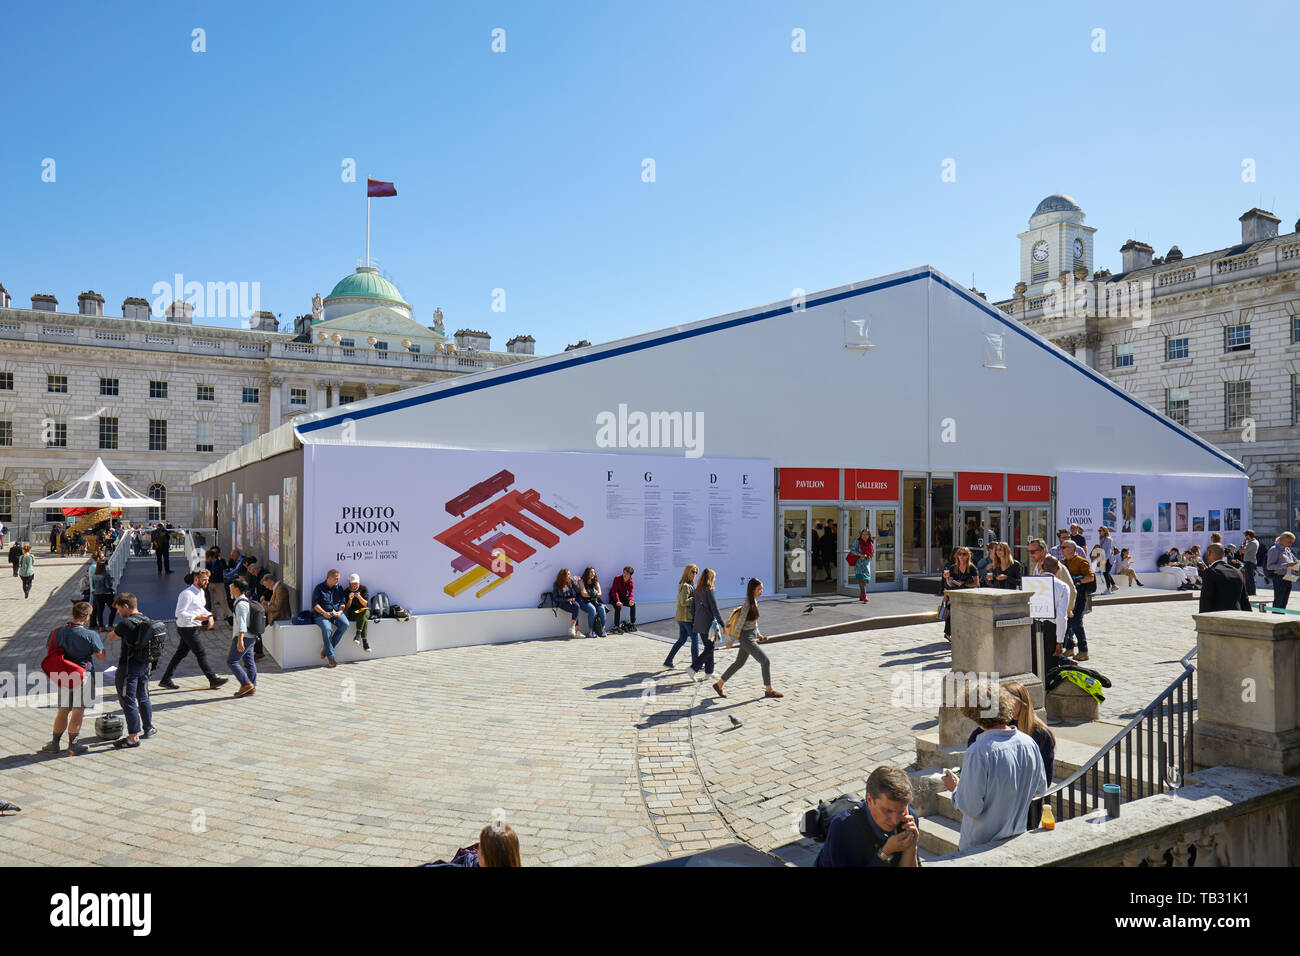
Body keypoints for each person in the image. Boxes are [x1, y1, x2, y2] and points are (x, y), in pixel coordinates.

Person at [941, 682, 1047, 851]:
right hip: (1016, 839)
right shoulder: (1028, 743)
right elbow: (1040, 789)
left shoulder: (979, 751)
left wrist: (955, 789)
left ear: (972, 713)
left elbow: (970, 807)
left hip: (980, 847)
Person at [965, 680, 1055, 829]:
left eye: (1010, 700)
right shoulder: (985, 731)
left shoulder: (1039, 735)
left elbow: (1044, 779)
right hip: (995, 811)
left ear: (1023, 703)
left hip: (1025, 809)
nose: (1006, 704)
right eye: (1002, 700)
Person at [815, 766, 920, 867]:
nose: (895, 820)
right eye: (887, 811)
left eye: (901, 811)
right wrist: (885, 853)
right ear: (869, 799)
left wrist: (911, 848)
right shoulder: (844, 828)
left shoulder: (908, 820)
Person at [37, 602, 104, 755]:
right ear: (86, 617)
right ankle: (73, 746)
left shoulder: (57, 632)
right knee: (78, 711)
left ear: (73, 614)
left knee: (63, 710)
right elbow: (101, 656)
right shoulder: (90, 635)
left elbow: (50, 650)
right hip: (83, 675)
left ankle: (54, 743)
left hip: (64, 675)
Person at [713, 578, 782, 700]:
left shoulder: (754, 602)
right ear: (753, 590)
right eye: (759, 589)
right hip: (746, 639)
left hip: (750, 637)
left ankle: (719, 684)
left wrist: (759, 635)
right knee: (765, 661)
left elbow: (754, 623)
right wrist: (731, 641)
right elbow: (740, 623)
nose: (761, 591)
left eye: (762, 588)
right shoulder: (747, 604)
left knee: (738, 663)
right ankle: (768, 690)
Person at [160, 569, 226, 689]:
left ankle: (165, 679)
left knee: (180, 654)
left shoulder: (201, 592)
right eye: (204, 580)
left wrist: (209, 616)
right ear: (196, 579)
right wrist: (196, 617)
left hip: (194, 627)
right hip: (186, 628)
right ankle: (212, 679)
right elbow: (179, 613)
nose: (207, 582)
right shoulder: (187, 594)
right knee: (200, 653)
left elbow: (200, 608)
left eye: (208, 579)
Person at [109, 593, 156, 748]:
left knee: (128, 700)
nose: (117, 613)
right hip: (144, 665)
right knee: (143, 697)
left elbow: (111, 638)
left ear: (126, 606)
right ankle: (149, 728)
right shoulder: (147, 620)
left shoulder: (125, 624)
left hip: (128, 667)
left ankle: (133, 737)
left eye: (118, 609)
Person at [1058, 539, 1094, 661]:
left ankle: (1084, 651)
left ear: (1072, 549)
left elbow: (1090, 577)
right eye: (1061, 547)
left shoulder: (1081, 562)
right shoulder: (1062, 562)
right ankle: (1069, 648)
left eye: (1064, 547)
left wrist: (1077, 581)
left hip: (1078, 597)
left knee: (1077, 623)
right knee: (1066, 623)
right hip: (1066, 596)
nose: (1061, 549)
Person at [690, 567, 727, 681]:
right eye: (714, 577)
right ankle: (693, 669)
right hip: (707, 624)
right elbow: (715, 609)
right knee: (710, 648)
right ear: (711, 578)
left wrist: (697, 618)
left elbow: (692, 608)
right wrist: (722, 624)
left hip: (698, 623)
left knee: (709, 646)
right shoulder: (709, 590)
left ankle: (709, 672)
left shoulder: (697, 590)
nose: (714, 580)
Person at [228, 579, 260, 697]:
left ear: (237, 589)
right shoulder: (242, 601)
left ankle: (246, 684)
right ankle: (252, 686)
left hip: (244, 637)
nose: (230, 587)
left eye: (232, 585)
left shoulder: (241, 604)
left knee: (232, 661)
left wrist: (240, 640)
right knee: (249, 661)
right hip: (250, 637)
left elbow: (242, 624)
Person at [312, 568, 349, 666]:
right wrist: (324, 613)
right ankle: (331, 656)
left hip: (335, 613)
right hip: (321, 614)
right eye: (336, 578)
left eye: (338, 578)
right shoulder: (319, 588)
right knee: (328, 629)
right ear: (329, 578)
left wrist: (340, 612)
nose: (338, 580)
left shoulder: (339, 588)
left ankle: (327, 649)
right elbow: (315, 605)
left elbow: (343, 602)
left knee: (345, 624)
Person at [941, 546, 979, 641]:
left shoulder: (972, 568)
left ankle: (965, 633)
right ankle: (948, 634)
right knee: (951, 613)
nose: (961, 556)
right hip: (956, 594)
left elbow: (976, 584)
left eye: (964, 554)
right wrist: (947, 578)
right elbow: (950, 583)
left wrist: (964, 583)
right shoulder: (953, 567)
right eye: (959, 554)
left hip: (968, 594)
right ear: (956, 556)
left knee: (967, 614)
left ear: (968, 556)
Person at [1199, 543, 1250, 613]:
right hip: (1237, 615)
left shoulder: (1210, 572)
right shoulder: (1237, 572)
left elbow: (1206, 600)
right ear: (1223, 555)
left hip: (1218, 616)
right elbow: (1244, 599)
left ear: (1209, 553)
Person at [665, 564, 699, 666]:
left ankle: (668, 660)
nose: (694, 574)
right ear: (687, 572)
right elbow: (683, 602)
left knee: (682, 639)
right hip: (686, 617)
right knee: (695, 640)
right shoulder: (685, 586)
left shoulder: (688, 584)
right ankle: (696, 665)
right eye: (692, 572)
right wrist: (695, 598)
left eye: (696, 572)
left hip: (682, 617)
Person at [1265, 532, 1299, 610]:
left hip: (1288, 577)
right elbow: (1270, 566)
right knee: (1279, 601)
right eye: (1289, 542)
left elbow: (1293, 560)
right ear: (1282, 539)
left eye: (1292, 542)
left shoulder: (1287, 549)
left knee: (1284, 601)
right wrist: (1286, 565)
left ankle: (1281, 616)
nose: (1290, 544)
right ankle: (1276, 617)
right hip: (1279, 578)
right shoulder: (1274, 549)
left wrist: (1296, 563)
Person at [343, 573, 371, 653]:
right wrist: (350, 600)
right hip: (353, 613)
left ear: (359, 583)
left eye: (356, 583)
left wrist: (359, 597)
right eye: (353, 584)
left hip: (363, 610)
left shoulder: (363, 589)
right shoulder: (346, 591)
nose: (355, 585)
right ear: (350, 583)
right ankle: (365, 642)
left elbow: (365, 604)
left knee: (365, 611)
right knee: (364, 618)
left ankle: (358, 634)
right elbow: (346, 608)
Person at [577, 567, 607, 638]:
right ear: (587, 573)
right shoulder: (581, 581)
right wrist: (594, 594)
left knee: (602, 609)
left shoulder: (596, 582)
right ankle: (591, 631)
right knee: (592, 609)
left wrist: (590, 594)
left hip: (594, 600)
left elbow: (600, 594)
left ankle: (602, 630)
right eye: (591, 572)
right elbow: (583, 594)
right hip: (584, 600)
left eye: (594, 572)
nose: (593, 574)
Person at [553, 568, 582, 638]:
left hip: (572, 601)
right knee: (576, 608)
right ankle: (576, 631)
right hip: (563, 603)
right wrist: (566, 600)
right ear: (563, 575)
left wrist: (575, 584)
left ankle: (573, 628)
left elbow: (578, 591)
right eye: (568, 574)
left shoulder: (571, 581)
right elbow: (555, 598)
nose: (569, 576)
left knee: (576, 607)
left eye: (569, 574)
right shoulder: (556, 584)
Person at [89, 559, 116, 630]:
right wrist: (111, 581)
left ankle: (101, 626)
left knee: (100, 611)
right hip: (107, 594)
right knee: (113, 609)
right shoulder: (106, 575)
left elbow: (94, 586)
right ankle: (110, 625)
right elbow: (108, 586)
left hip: (97, 594)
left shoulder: (94, 575)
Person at [609, 566, 636, 633]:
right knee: (618, 607)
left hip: (623, 597)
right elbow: (614, 591)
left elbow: (630, 593)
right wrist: (618, 601)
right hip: (614, 597)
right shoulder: (617, 578)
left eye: (626, 574)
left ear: (630, 575)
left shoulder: (631, 582)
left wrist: (630, 600)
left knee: (633, 604)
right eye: (624, 573)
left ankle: (632, 623)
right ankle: (616, 626)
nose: (624, 575)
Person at [849, 528, 873, 603]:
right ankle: (864, 595)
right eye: (863, 534)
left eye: (866, 534)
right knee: (861, 579)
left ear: (869, 535)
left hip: (866, 564)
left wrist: (871, 554)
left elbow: (871, 551)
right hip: (859, 563)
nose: (864, 536)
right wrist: (860, 554)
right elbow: (852, 550)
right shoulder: (857, 541)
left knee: (865, 579)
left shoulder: (870, 542)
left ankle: (861, 595)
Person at [1097, 526, 1118, 593]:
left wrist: (1105, 559)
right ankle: (1114, 585)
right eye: (1099, 531)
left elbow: (1109, 551)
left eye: (1100, 531)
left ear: (1104, 531)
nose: (1099, 532)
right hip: (1104, 558)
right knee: (1106, 573)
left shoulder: (1109, 539)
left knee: (1105, 573)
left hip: (1109, 559)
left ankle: (1108, 589)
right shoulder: (1101, 539)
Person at [1241, 530, 1260, 597]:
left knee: (1249, 578)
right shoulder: (1253, 542)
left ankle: (1251, 592)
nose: (1245, 537)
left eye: (1246, 535)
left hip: (1249, 561)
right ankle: (1250, 591)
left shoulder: (1252, 543)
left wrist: (1243, 545)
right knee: (1249, 577)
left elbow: (1244, 551)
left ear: (1248, 535)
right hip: (1251, 561)